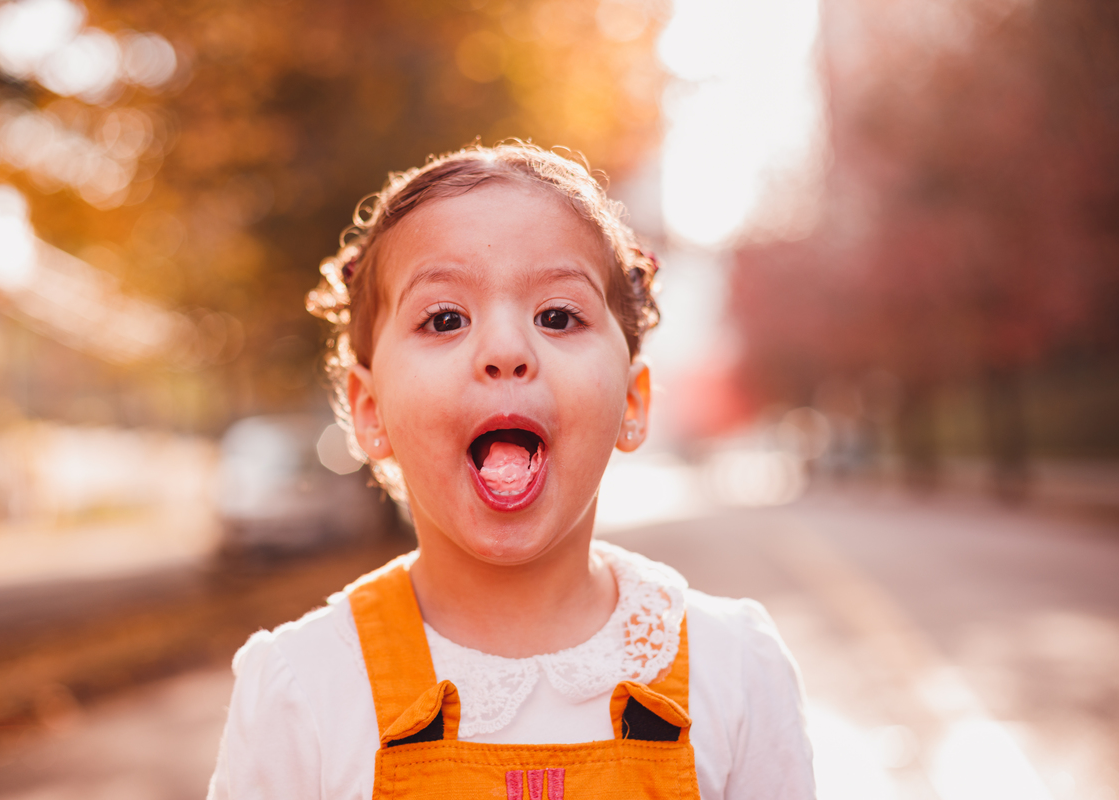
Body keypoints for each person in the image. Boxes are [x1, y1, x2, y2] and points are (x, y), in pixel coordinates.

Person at [207, 142, 815, 799]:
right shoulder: (302, 692)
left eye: (557, 316)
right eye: (445, 319)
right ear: (371, 410)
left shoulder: (735, 673)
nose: (504, 349)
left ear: (632, 403)